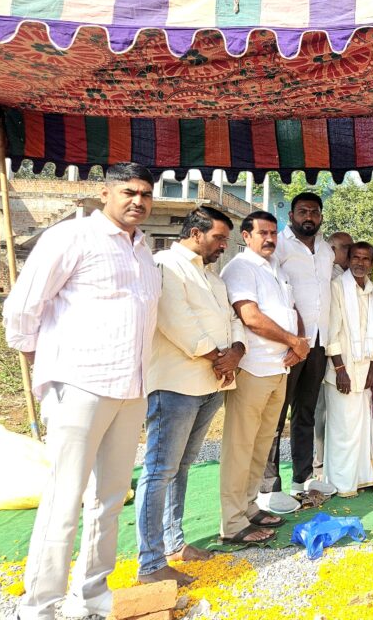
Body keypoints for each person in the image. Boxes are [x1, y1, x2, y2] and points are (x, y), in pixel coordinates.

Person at [3, 162, 160, 620]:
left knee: (109, 497)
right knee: (64, 497)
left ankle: (90, 594)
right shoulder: (72, 237)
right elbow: (23, 306)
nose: (138, 201)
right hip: (80, 384)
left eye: (145, 194)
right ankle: (39, 605)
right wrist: (45, 361)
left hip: (131, 387)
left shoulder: (143, 250)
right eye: (129, 191)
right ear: (106, 193)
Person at [136, 206, 246, 586]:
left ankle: (174, 544)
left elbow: (233, 320)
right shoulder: (165, 265)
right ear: (196, 234)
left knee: (181, 467)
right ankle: (150, 564)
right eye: (219, 238)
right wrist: (219, 357)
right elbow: (177, 320)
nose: (223, 245)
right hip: (175, 386)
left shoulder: (213, 278)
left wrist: (236, 352)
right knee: (159, 471)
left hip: (211, 385)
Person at [220, 211, 308, 545]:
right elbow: (251, 317)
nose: (270, 238)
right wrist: (294, 342)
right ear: (246, 236)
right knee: (240, 446)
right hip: (253, 368)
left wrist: (299, 345)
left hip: (279, 368)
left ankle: (249, 507)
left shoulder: (277, 269)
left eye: (273, 232)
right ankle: (232, 523)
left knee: (261, 445)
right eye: (263, 233)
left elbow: (292, 312)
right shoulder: (240, 268)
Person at [259, 192, 336, 515]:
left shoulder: (327, 250)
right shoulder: (280, 246)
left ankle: (301, 481)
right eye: (303, 211)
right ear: (291, 215)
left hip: (318, 342)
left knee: (305, 412)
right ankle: (268, 487)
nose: (309, 216)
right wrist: (293, 338)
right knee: (276, 415)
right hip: (289, 344)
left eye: (314, 212)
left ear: (321, 217)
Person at [325, 242, 373, 497]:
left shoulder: (371, 290)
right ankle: (342, 483)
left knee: (361, 426)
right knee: (342, 428)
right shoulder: (337, 287)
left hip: (363, 368)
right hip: (342, 370)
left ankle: (361, 478)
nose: (360, 262)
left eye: (366, 258)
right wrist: (340, 369)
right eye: (356, 257)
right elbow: (332, 331)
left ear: (372, 263)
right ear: (347, 260)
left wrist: (372, 367)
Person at [314, 230, 354, 483]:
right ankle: (319, 465)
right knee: (321, 410)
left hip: (351, 354)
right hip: (326, 351)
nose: (351, 252)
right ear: (332, 250)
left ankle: (338, 463)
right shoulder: (328, 276)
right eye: (346, 248)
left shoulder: (352, 277)